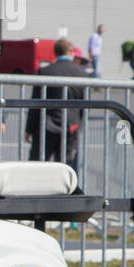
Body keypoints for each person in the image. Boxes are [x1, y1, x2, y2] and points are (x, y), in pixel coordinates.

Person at [25, 37, 89, 171]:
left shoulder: (45, 72)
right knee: (66, 169)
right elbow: (84, 106)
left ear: (55, 53)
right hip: (71, 126)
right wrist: (78, 126)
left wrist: (29, 129)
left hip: (46, 126)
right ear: (71, 52)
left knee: (36, 167)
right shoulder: (82, 74)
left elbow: (36, 103)